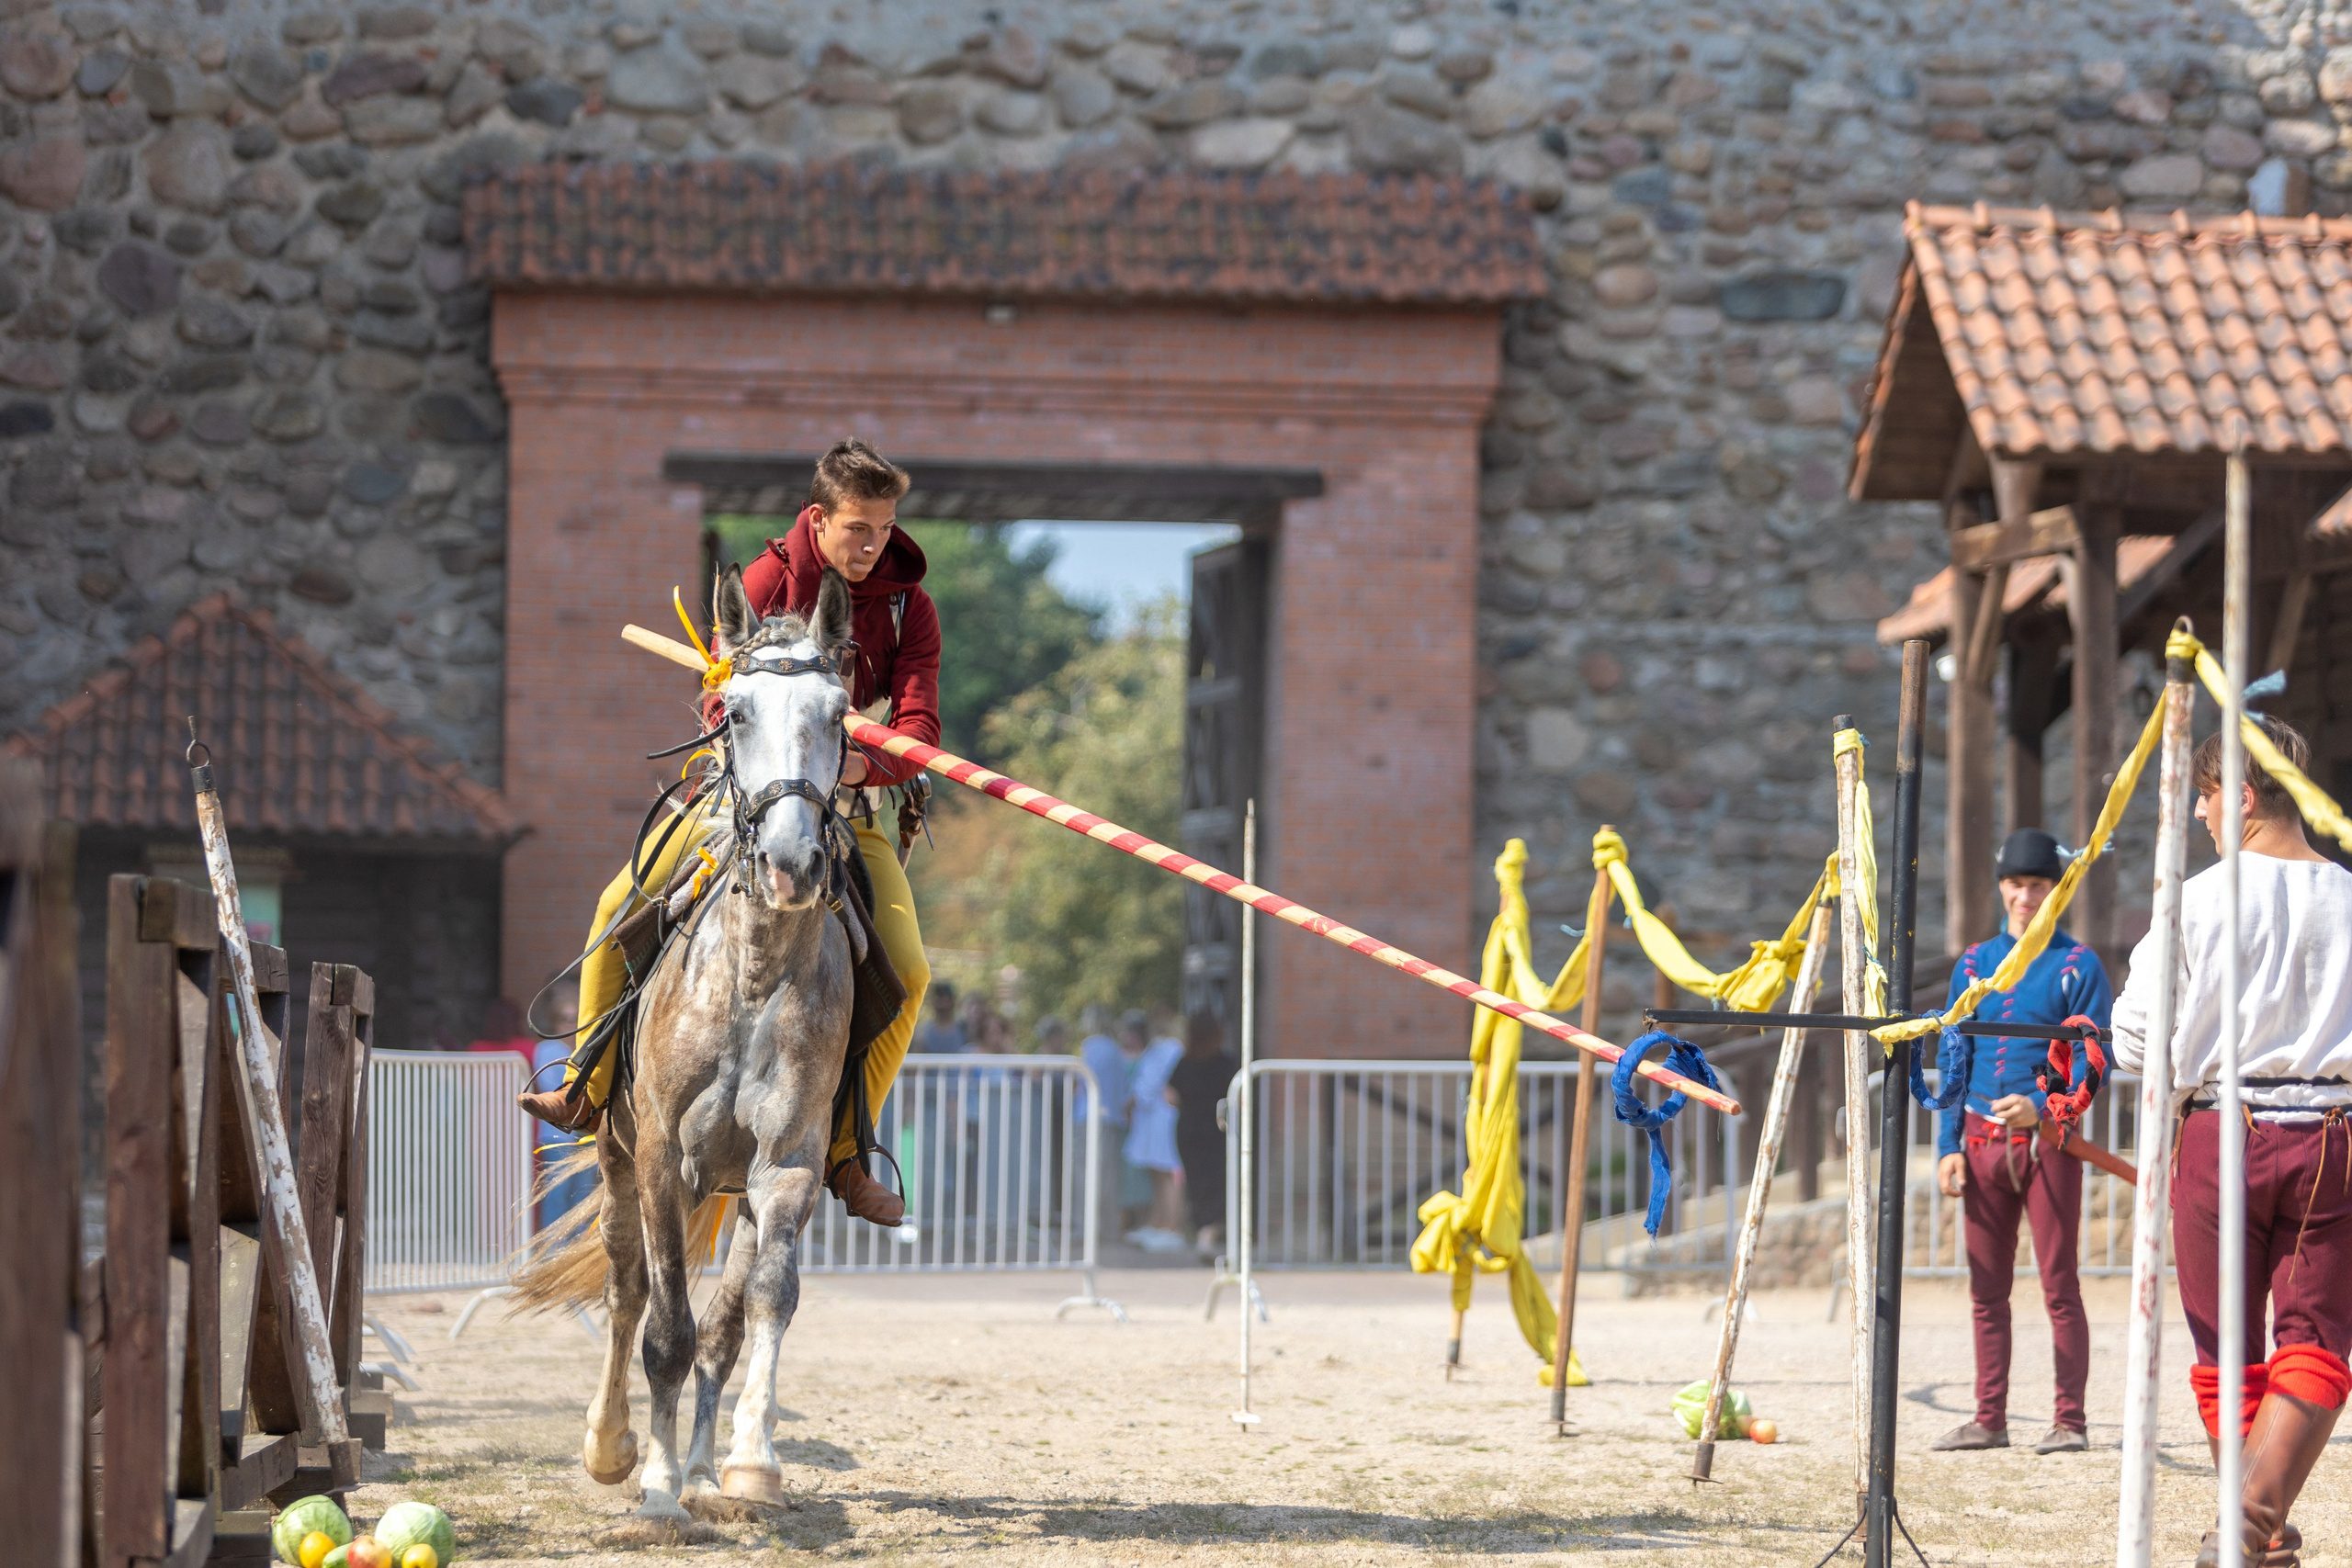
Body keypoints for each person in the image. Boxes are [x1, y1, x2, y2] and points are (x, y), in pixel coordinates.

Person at [517, 438, 938, 1228]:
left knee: (910, 970)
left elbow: (921, 723)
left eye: (884, 526)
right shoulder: (762, 582)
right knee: (616, 907)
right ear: (818, 519)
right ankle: (585, 1081)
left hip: (846, 808)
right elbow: (718, 703)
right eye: (858, 527)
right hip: (738, 802)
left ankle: (846, 1149)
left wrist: (859, 768)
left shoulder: (910, 607)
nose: (873, 543)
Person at [2113, 716, 2352, 1568]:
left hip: (2223, 1128)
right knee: (2315, 1340)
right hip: (2332, 1133)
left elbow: (2136, 1041)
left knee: (2230, 1343)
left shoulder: (2199, 897)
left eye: (2206, 799)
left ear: (2242, 797)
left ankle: (2243, 1524)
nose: (2202, 816)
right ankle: (2262, 1532)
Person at [1929, 828, 2113, 1458]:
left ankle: (2070, 1420)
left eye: (2038, 885)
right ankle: (1989, 1417)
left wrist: (2040, 1105)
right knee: (1986, 1288)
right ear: (2002, 887)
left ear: (2053, 889)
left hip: (2050, 1145)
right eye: (2017, 884)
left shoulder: (2077, 965)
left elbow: (2096, 1056)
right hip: (1978, 1142)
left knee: (2060, 1284)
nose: (2026, 896)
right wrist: (1945, 1145)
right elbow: (1953, 1058)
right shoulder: (1975, 963)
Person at [1168, 1009, 1238, 1257]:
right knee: (1217, 1181)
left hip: (1188, 1128)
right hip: (1217, 1128)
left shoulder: (1185, 1062)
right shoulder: (1226, 1063)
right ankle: (1207, 1232)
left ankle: (1202, 1230)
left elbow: (1170, 1095)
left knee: (1196, 1181)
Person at [1122, 1008, 1186, 1249]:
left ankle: (1172, 1226)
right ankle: (1159, 1223)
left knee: (1168, 1173)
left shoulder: (1168, 1048)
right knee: (1157, 1174)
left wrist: (1132, 1101)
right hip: (1153, 1117)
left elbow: (1149, 1083)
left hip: (1162, 1117)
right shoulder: (1162, 1048)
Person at [912, 981, 964, 1056]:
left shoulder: (964, 1028)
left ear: (953, 1000)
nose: (941, 1002)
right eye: (938, 997)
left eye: (944, 997)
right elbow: (915, 1063)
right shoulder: (922, 1032)